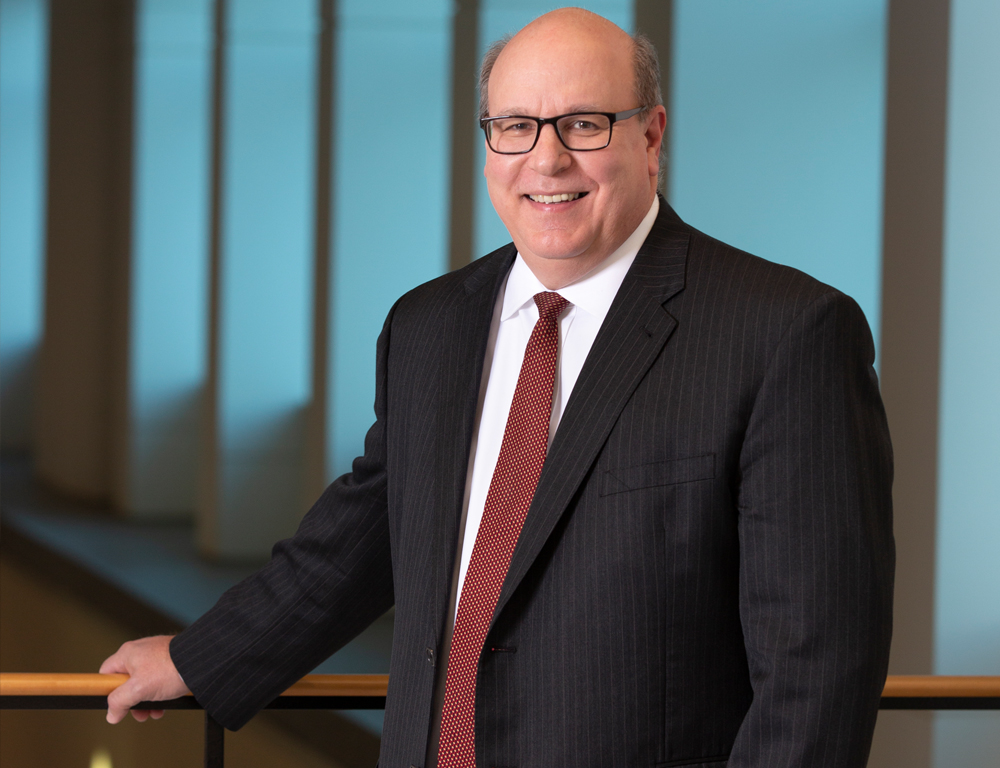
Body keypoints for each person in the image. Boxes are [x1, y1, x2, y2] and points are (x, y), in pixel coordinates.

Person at [101, 8, 894, 767]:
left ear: (651, 137)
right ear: (488, 145)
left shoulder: (786, 334)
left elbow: (819, 668)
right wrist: (201, 656)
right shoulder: (429, 327)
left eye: (584, 124)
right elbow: (366, 533)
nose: (546, 161)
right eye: (515, 126)